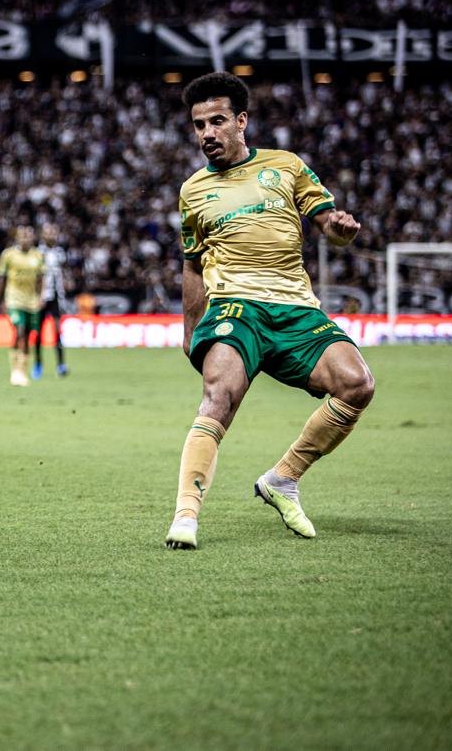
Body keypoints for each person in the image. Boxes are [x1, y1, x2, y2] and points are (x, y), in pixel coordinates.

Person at [165, 71, 375, 550]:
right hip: (234, 307)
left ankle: (282, 479)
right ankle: (185, 516)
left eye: (217, 121)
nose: (206, 134)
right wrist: (189, 328)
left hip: (296, 307)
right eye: (198, 125)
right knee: (219, 398)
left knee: (357, 384)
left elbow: (329, 223)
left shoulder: (286, 166)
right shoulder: (193, 191)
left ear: (241, 121)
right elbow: (193, 266)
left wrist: (341, 229)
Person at [0, 225, 44, 387]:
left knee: (27, 335)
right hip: (14, 299)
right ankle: (15, 371)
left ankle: (23, 370)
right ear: (17, 238)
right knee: (19, 330)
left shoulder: (38, 255)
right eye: (22, 236)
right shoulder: (8, 255)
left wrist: (41, 297)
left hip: (31, 301)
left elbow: (41, 279)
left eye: (28, 236)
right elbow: (1, 279)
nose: (25, 238)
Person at [31, 223, 69, 379]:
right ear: (42, 235)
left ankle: (61, 365)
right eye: (48, 232)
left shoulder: (60, 252)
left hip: (56, 298)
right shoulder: (37, 253)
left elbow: (62, 275)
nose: (52, 235)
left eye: (54, 232)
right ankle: (38, 364)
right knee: (38, 332)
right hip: (41, 299)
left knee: (58, 331)